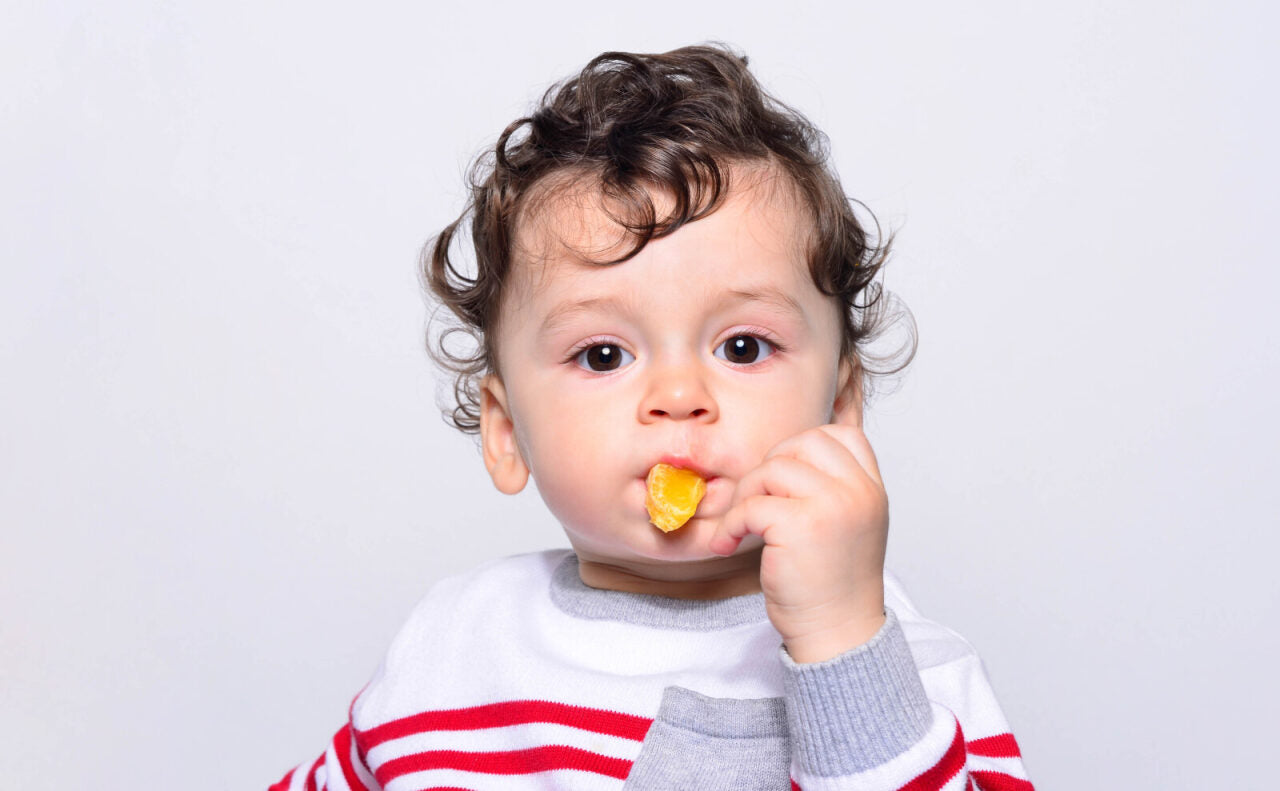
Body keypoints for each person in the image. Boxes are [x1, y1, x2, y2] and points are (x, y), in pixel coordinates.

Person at [270, 43, 1033, 791]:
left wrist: (840, 642)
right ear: (505, 434)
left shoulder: (895, 660)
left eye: (742, 345)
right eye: (602, 355)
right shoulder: (448, 649)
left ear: (838, 412)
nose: (677, 395)